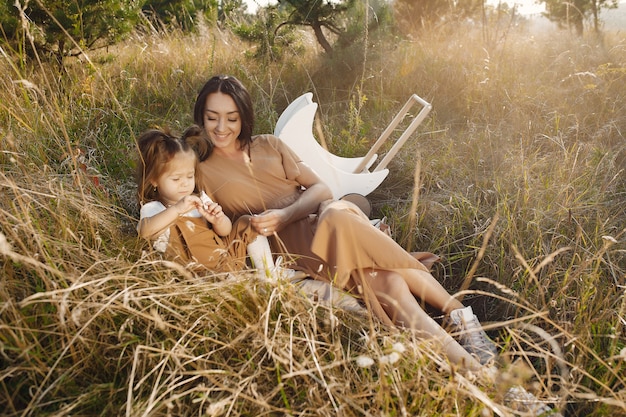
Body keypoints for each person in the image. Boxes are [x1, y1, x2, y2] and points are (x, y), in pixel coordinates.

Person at [188, 75, 563, 416]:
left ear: (244, 116)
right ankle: (493, 377)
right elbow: (211, 222)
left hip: (329, 217)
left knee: (337, 213)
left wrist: (286, 214)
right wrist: (253, 222)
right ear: (201, 117)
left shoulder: (270, 145)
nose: (222, 127)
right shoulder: (201, 169)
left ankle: (468, 331)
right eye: (212, 117)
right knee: (389, 286)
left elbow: (320, 189)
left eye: (231, 117)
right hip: (301, 250)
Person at [135, 127, 294, 278]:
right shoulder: (155, 208)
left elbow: (225, 231)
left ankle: (268, 273)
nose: (184, 183)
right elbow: (145, 232)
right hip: (200, 271)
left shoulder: (200, 198)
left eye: (190, 176)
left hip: (226, 256)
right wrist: (177, 210)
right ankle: (248, 281)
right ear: (154, 180)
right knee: (230, 281)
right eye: (176, 179)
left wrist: (218, 220)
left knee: (248, 222)